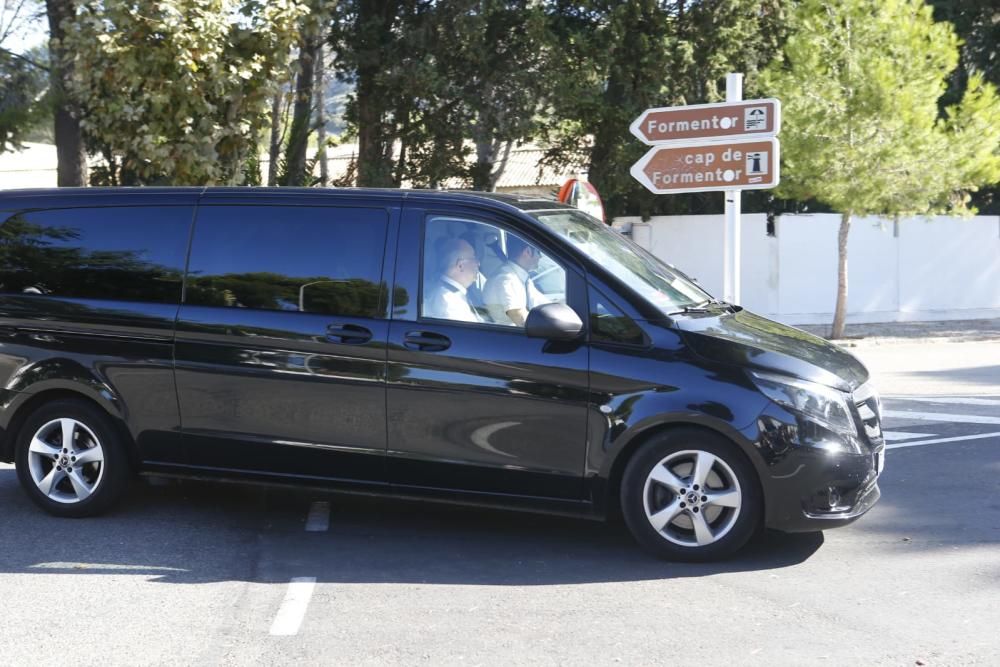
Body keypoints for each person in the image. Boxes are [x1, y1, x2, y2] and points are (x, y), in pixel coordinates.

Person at [483, 235, 548, 326]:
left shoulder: (522, 278)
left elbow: (540, 303)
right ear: (528, 252)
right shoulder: (506, 279)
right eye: (538, 252)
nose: (540, 257)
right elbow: (521, 319)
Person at [423, 237, 482, 323]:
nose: (478, 263)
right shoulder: (447, 301)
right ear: (460, 265)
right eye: (474, 259)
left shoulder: (451, 294)